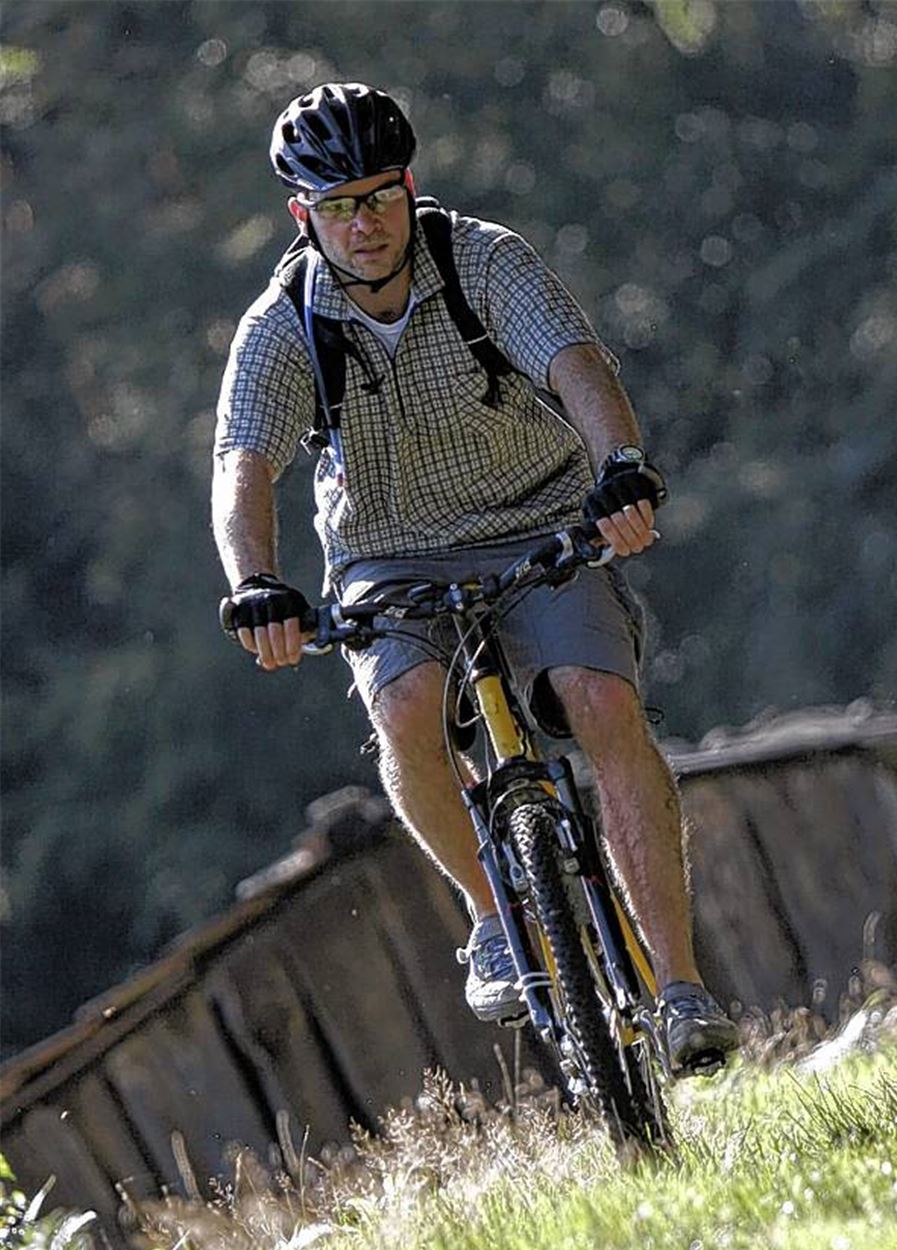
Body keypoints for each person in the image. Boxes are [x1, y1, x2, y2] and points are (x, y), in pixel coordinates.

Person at [212, 82, 738, 1075]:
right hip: (387, 554)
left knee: (599, 702)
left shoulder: (482, 260)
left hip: (537, 518)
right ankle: (493, 916)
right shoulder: (285, 325)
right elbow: (242, 464)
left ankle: (678, 988)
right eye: (337, 206)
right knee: (405, 704)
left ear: (410, 186)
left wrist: (620, 467)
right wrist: (257, 582)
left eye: (378, 195)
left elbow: (577, 364)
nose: (362, 223)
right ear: (303, 215)